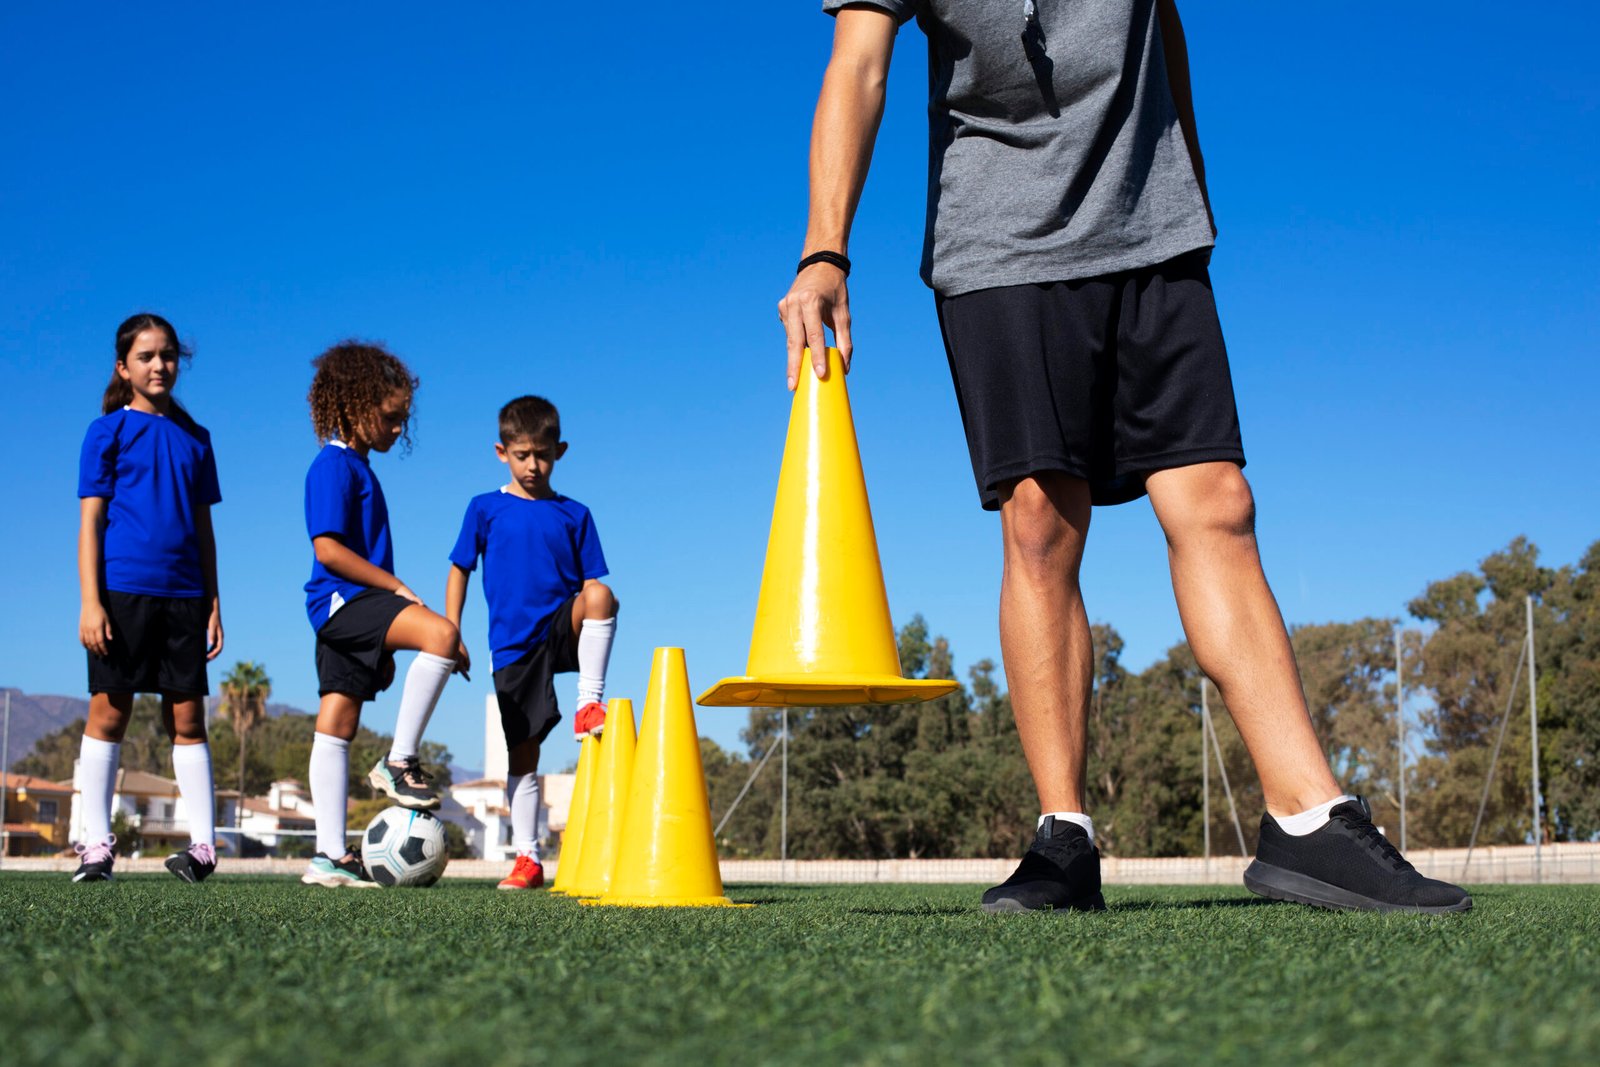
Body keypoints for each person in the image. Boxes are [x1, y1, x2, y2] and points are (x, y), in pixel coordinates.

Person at [779, 1, 1470, 913]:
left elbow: (1164, 24)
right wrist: (824, 251)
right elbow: (859, 64)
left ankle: (1307, 818)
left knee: (1219, 499)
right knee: (1040, 520)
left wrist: (1191, 186)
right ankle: (1063, 837)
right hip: (999, 243)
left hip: (1154, 229)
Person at [299, 341, 465, 888]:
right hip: (343, 601)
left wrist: (387, 639)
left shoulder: (360, 468)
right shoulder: (333, 466)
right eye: (391, 417)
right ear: (353, 406)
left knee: (338, 721)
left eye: (403, 420)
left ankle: (328, 856)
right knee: (442, 633)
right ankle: (399, 761)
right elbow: (328, 550)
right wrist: (398, 592)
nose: (398, 429)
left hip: (345, 609)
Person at [445, 395, 617, 891]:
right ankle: (528, 859)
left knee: (601, 596)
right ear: (502, 452)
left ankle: (589, 703)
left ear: (560, 451)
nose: (533, 465)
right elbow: (459, 569)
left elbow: (591, 585)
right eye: (522, 455)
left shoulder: (575, 514)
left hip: (561, 628)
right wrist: (452, 630)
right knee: (523, 754)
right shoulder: (484, 508)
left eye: (542, 455)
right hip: (513, 646)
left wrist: (585, 614)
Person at [75, 313, 223, 884]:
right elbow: (90, 524)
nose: (159, 365)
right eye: (145, 356)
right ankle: (95, 848)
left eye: (167, 355)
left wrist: (213, 601)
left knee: (187, 716)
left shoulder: (197, 439)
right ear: (123, 367)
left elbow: (204, 529)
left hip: (185, 595)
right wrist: (91, 602)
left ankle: (204, 848)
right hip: (121, 592)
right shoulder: (106, 432)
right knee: (109, 712)